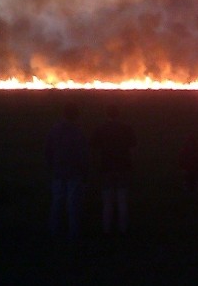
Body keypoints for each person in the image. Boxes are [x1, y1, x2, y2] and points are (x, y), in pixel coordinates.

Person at [91, 104, 137, 235]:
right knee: (122, 200)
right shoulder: (126, 129)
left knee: (107, 201)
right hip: (123, 167)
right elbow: (133, 148)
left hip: (106, 167)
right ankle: (123, 229)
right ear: (119, 114)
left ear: (107, 114)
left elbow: (94, 148)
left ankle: (106, 229)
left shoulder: (101, 129)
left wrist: (96, 164)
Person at [46, 102, 87, 242]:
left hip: (58, 171)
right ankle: (74, 233)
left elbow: (48, 150)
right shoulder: (78, 131)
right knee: (73, 203)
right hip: (74, 171)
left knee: (57, 202)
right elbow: (82, 153)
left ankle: (54, 230)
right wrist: (84, 169)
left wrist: (51, 165)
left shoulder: (54, 129)